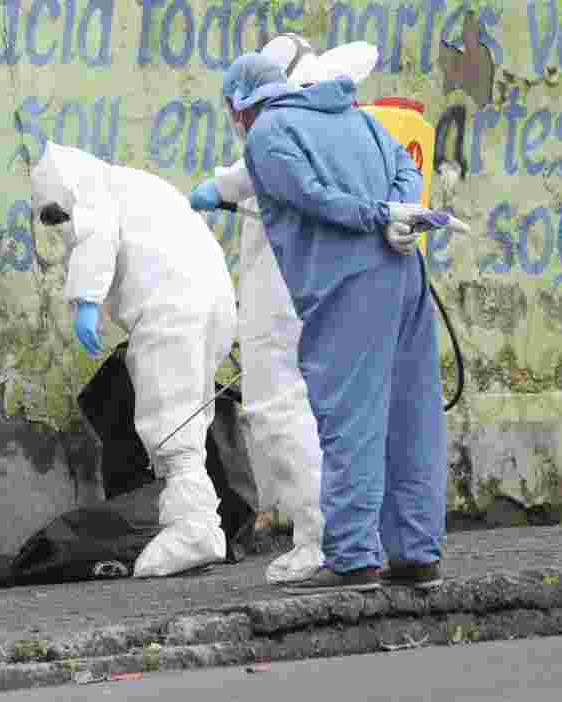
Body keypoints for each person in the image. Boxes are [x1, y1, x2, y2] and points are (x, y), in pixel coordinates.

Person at [218, 52, 469, 594]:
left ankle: (355, 558)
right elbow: (405, 165)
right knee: (411, 415)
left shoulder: (267, 134)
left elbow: (309, 194)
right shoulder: (359, 118)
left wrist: (379, 215)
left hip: (347, 285)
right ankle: (415, 553)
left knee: (350, 420)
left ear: (238, 106)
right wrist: (403, 210)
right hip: (406, 276)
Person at [189, 35, 380, 585]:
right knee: (332, 412)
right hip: (331, 285)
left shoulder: (281, 128)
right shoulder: (340, 119)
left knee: (278, 408)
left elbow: (258, 165)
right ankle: (352, 535)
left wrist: (217, 187)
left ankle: (319, 536)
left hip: (282, 289)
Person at [31, 141, 238, 578]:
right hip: (213, 305)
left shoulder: (91, 192)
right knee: (189, 414)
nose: (60, 225)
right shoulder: (137, 185)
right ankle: (195, 521)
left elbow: (95, 237)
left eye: (57, 215)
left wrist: (85, 300)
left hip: (171, 309)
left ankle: (194, 527)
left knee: (168, 421)